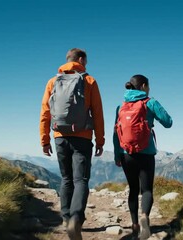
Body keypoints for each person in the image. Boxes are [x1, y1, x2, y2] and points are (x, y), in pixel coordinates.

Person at [40, 48, 105, 240]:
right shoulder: (89, 81)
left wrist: (44, 139)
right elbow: (98, 113)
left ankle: (66, 218)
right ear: (82, 60)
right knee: (80, 180)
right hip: (83, 137)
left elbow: (45, 113)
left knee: (66, 179)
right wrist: (99, 140)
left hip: (60, 136)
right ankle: (76, 218)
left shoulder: (53, 81)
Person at [113, 74, 172, 239]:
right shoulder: (150, 102)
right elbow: (168, 122)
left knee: (132, 189)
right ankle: (145, 216)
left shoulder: (121, 107)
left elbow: (116, 132)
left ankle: (134, 225)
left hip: (126, 154)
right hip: (146, 152)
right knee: (146, 189)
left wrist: (118, 154)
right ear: (144, 86)